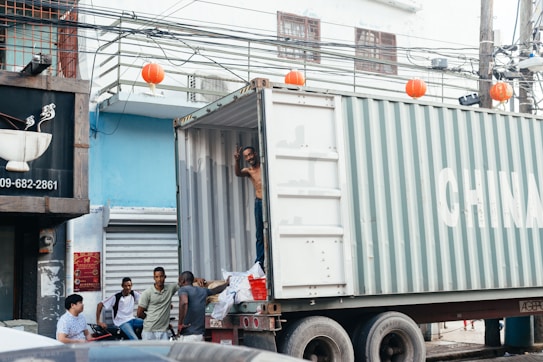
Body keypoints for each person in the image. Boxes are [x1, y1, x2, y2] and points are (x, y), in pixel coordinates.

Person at [177, 271, 230, 341]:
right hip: (199, 335)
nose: (178, 283)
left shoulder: (183, 289)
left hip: (187, 336)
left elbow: (184, 302)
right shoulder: (202, 291)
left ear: (183, 281)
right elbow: (215, 290)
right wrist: (226, 284)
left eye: (179, 281)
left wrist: (180, 323)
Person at [234, 145, 264, 269]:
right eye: (246, 156)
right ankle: (260, 262)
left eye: (250, 154)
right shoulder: (249, 171)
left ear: (255, 154)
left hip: (268, 202)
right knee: (259, 234)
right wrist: (236, 160)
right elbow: (238, 173)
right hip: (259, 202)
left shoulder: (264, 167)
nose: (249, 158)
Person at [137, 267, 180, 340]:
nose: (159, 279)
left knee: (164, 351)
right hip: (149, 331)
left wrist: (197, 280)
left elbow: (184, 281)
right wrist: (151, 318)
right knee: (148, 351)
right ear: (154, 278)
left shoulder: (170, 288)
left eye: (161, 276)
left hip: (163, 331)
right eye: (157, 277)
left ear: (165, 277)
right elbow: (139, 313)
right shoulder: (147, 293)